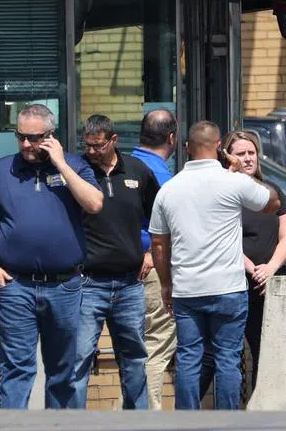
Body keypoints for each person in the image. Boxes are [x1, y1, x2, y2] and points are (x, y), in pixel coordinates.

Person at [0, 104, 104, 409]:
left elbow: (95, 204)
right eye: (21, 137)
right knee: (16, 369)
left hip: (64, 286)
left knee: (63, 370)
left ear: (50, 136)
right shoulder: (1, 171)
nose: (26, 144)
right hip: (15, 285)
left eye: (34, 138)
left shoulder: (75, 166)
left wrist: (61, 164)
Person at [148, 121, 281, 411]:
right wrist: (239, 171)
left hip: (187, 288)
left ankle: (186, 420)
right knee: (227, 359)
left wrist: (166, 284)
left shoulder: (169, 189)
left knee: (188, 357)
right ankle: (227, 421)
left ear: (186, 147)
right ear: (220, 147)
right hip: (228, 287)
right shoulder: (233, 181)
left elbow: (158, 244)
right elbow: (273, 203)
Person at [71, 114, 159, 409]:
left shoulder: (138, 171)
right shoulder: (78, 171)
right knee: (79, 358)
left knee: (134, 358)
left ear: (113, 140)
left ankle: (136, 421)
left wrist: (152, 254)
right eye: (87, 145)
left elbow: (161, 218)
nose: (92, 151)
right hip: (87, 283)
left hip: (130, 284)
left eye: (98, 145)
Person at [221, 129, 286, 395]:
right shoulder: (224, 191)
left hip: (265, 286)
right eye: (241, 153)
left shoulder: (272, 192)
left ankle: (260, 406)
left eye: (252, 152)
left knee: (265, 353)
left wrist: (270, 268)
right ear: (228, 157)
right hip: (233, 284)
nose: (248, 158)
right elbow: (221, 239)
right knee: (228, 355)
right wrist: (252, 269)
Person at [129, 108, 178, 410]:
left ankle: (131, 411)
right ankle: (145, 415)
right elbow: (168, 232)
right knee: (155, 346)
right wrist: (151, 253)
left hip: (124, 269)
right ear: (172, 138)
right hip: (153, 267)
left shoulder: (125, 165)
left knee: (136, 348)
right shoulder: (160, 176)